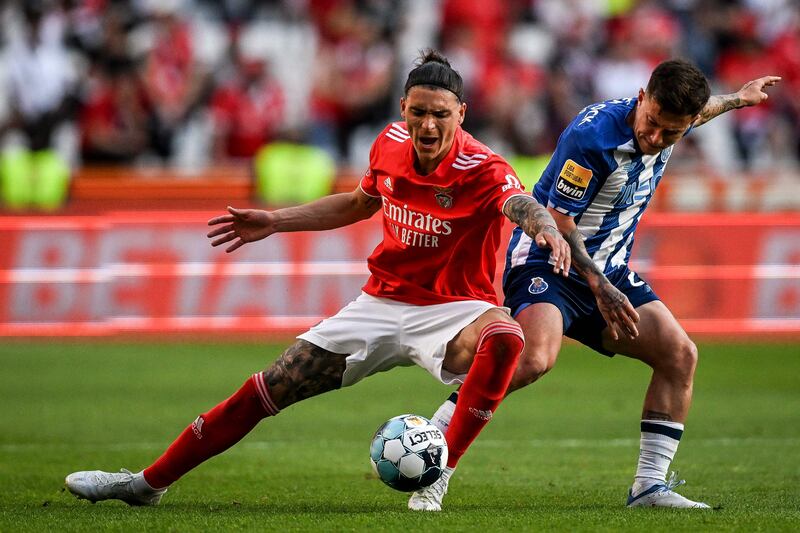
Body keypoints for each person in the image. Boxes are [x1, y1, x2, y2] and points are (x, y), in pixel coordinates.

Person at [64, 50, 570, 507]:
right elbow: (356, 203)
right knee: (265, 390)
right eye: (419, 112)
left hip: (455, 311)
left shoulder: (483, 166)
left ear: (461, 114)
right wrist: (276, 220)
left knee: (505, 335)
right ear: (403, 109)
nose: (429, 126)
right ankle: (145, 484)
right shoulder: (389, 145)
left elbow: (518, 203)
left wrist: (545, 227)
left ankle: (439, 474)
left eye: (441, 114)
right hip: (381, 302)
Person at [413, 59, 781, 511]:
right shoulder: (593, 137)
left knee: (680, 355)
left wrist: (739, 98)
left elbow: (702, 110)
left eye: (671, 133)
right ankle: (433, 455)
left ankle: (648, 488)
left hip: (609, 271)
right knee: (533, 358)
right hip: (549, 262)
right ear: (642, 98)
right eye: (652, 125)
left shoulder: (675, 120)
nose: (656, 139)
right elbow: (563, 220)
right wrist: (601, 287)